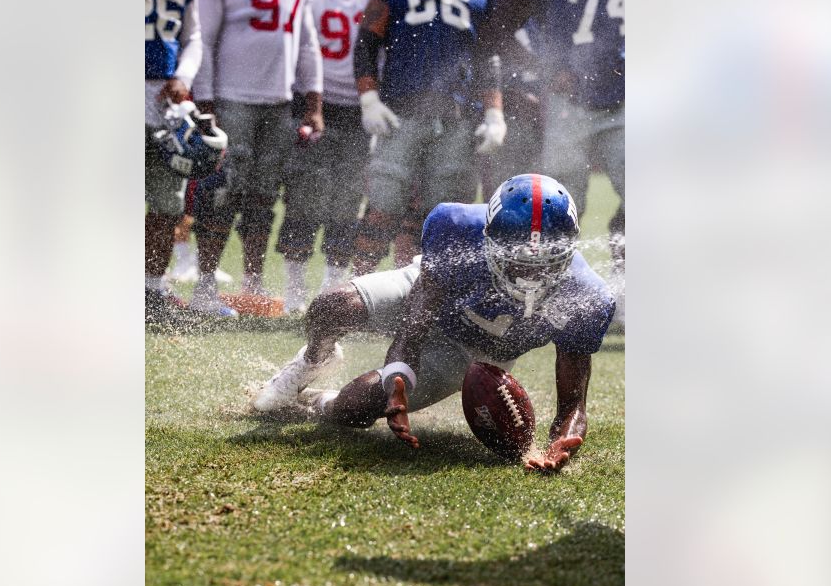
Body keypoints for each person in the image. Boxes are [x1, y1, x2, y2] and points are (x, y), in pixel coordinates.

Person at [253, 174, 615, 474]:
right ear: (488, 240)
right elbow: (415, 323)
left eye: (546, 262)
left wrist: (561, 443)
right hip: (432, 300)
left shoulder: (586, 297)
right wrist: (398, 372)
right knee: (330, 306)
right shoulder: (454, 228)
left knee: (354, 408)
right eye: (517, 261)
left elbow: (573, 406)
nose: (530, 276)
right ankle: (311, 362)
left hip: (478, 355)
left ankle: (321, 401)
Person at [349, 0, 506, 277]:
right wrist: (369, 99)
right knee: (384, 204)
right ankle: (357, 287)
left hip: (457, 117)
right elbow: (366, 43)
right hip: (401, 112)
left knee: (449, 213)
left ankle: (435, 295)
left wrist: (494, 113)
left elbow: (488, 55)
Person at [190, 0, 323, 316]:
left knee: (264, 197)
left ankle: (252, 285)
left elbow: (307, 38)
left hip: (278, 103)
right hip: (231, 100)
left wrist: (314, 102)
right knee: (221, 193)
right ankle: (205, 284)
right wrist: (206, 102)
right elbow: (205, 36)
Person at [496, 0, 625, 316]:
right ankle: (553, 290)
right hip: (569, 104)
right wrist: (547, 69)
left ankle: (624, 288)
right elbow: (499, 28)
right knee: (561, 205)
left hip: (623, 101)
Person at [273, 0, 370, 315]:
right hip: (316, 103)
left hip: (359, 108)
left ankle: (333, 290)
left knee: (348, 199)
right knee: (304, 194)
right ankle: (295, 290)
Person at [145, 0, 203, 321]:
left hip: (163, 100)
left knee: (167, 205)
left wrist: (183, 75)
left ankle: (150, 291)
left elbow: (193, 35)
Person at [477, 0, 543, 192]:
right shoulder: (481, 15)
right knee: (499, 190)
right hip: (502, 114)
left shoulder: (544, 11)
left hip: (544, 110)